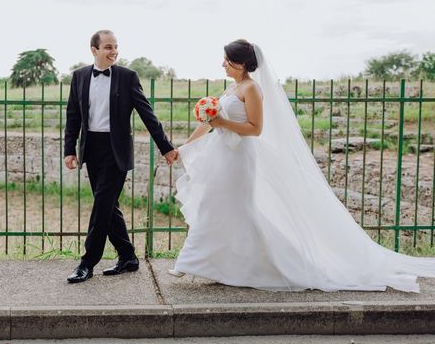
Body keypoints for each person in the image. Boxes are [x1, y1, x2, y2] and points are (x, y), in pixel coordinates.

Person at [170, 39, 435, 292]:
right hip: (222, 157)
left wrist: (222, 124)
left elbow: (255, 128)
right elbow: (208, 122)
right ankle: (221, 262)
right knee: (215, 205)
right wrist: (183, 149)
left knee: (234, 208)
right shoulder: (230, 89)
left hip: (240, 158)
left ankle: (191, 262)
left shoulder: (252, 89)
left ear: (240, 64)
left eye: (227, 60)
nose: (223, 64)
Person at [64, 30, 179, 283]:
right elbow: (73, 114)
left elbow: (147, 113)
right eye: (107, 47)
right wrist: (69, 149)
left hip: (116, 150)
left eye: (115, 46)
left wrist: (166, 146)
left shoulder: (128, 77)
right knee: (108, 207)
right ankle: (128, 256)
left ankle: (87, 262)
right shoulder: (80, 76)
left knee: (101, 205)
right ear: (94, 50)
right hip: (91, 148)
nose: (113, 51)